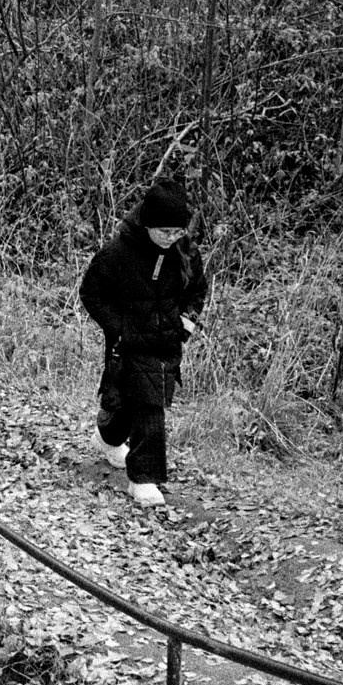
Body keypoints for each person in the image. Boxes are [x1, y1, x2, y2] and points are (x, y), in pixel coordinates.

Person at [78, 177, 208, 507]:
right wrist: (118, 329)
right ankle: (144, 479)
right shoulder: (118, 252)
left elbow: (197, 291)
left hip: (167, 341)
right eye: (164, 231)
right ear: (148, 223)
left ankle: (107, 436)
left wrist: (185, 325)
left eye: (177, 231)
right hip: (129, 341)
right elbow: (91, 293)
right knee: (149, 405)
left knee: (129, 400)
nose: (171, 237)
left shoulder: (186, 252)